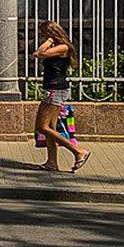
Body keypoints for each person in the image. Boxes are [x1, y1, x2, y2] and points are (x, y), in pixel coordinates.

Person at [33, 21, 89, 173]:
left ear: (51, 33)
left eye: (43, 33)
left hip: (55, 90)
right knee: (50, 128)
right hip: (54, 89)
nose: (41, 36)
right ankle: (52, 162)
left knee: (42, 126)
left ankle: (78, 152)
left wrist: (49, 41)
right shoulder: (60, 47)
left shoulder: (63, 47)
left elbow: (39, 54)